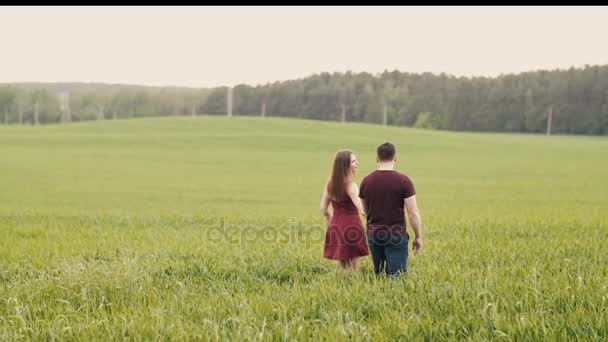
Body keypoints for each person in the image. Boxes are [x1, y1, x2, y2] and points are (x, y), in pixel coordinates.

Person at [359, 142, 422, 278]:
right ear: (395, 158)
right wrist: (418, 236)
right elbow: (413, 213)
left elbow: (365, 210)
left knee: (379, 276)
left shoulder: (366, 181)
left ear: (377, 158)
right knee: (396, 277)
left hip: (373, 234)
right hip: (396, 234)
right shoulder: (404, 181)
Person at [320, 150, 369, 272]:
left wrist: (331, 220)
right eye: (353, 161)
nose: (357, 163)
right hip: (352, 226)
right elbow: (362, 210)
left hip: (336, 226)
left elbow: (323, 208)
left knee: (343, 266)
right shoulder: (351, 185)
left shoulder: (330, 184)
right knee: (354, 267)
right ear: (345, 165)